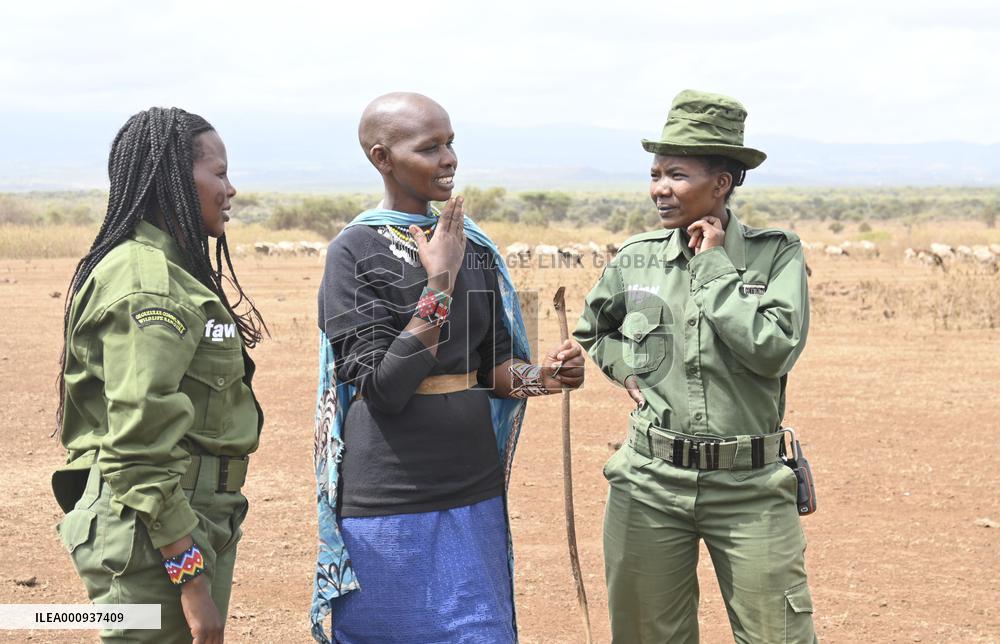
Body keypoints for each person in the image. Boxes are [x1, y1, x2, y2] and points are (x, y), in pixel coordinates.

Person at [310, 92, 585, 643]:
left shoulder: (474, 247)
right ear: (382, 157)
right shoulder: (353, 251)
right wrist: (439, 283)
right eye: (430, 147)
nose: (449, 159)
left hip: (473, 487)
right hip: (388, 500)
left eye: (451, 143)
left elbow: (496, 369)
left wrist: (545, 378)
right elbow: (384, 388)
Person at [574, 90, 817, 643]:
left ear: (722, 182)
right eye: (655, 173)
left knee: (778, 635)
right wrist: (631, 371)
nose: (660, 187)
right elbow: (595, 328)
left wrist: (711, 266)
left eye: (676, 174)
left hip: (751, 485)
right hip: (649, 482)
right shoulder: (637, 257)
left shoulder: (776, 255)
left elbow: (774, 348)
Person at [53, 107, 266, 644]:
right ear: (172, 177)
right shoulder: (149, 283)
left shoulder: (172, 270)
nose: (231, 188)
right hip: (156, 535)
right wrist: (190, 579)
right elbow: (137, 449)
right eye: (218, 173)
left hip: (181, 523)